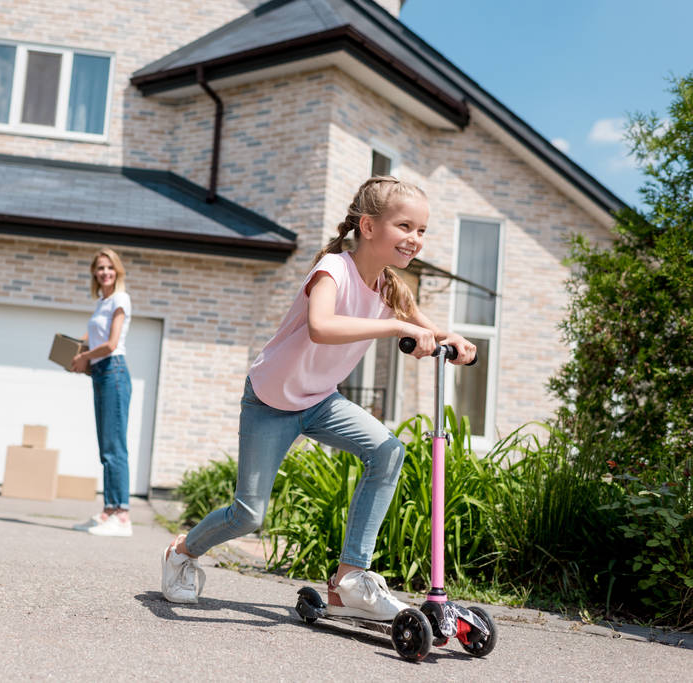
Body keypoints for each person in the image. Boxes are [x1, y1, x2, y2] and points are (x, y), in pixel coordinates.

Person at [160, 176, 476, 617]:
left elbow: (425, 327)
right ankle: (182, 552)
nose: (415, 239)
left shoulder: (390, 287)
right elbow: (321, 326)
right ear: (368, 226)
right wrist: (396, 327)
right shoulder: (332, 269)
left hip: (320, 400)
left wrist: (452, 337)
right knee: (247, 515)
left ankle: (348, 579)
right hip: (270, 400)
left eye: (422, 231)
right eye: (405, 227)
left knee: (387, 452)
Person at [70, 247, 134, 537]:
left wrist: (84, 356)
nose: (105, 272)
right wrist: (77, 353)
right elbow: (91, 338)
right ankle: (108, 510)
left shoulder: (120, 299)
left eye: (109, 267)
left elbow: (110, 343)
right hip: (100, 373)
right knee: (106, 446)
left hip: (114, 371)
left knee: (115, 447)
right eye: (100, 268)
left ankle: (122, 515)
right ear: (94, 273)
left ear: (117, 270)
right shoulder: (102, 301)